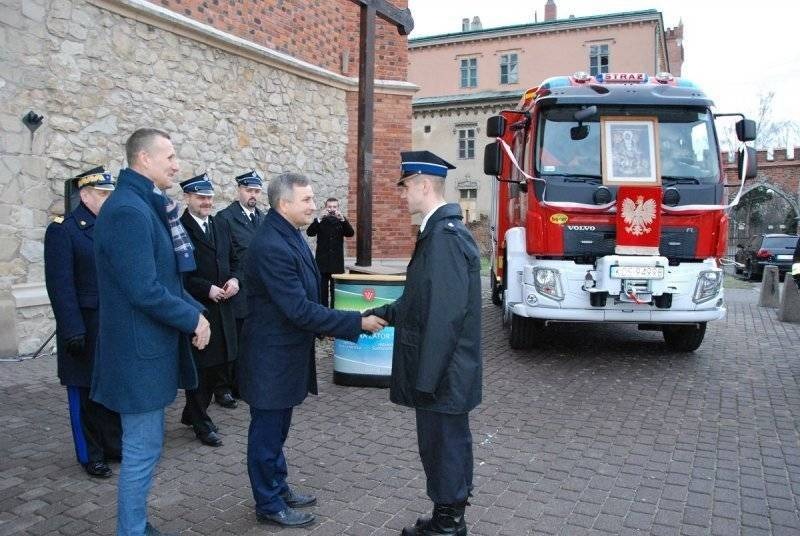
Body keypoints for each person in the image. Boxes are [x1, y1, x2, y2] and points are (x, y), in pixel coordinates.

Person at [237, 172, 387, 528]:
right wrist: (355, 323)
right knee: (267, 433)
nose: (313, 205)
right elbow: (299, 308)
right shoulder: (272, 244)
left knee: (278, 429)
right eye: (306, 199)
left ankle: (278, 486)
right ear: (284, 203)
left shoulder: (288, 234)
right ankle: (269, 503)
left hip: (286, 353)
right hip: (270, 357)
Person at [91, 128, 210, 536]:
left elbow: (164, 280)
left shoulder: (143, 203)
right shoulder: (128, 210)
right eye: (170, 156)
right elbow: (143, 289)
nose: (176, 164)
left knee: (146, 449)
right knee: (142, 451)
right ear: (143, 160)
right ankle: (132, 530)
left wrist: (196, 310)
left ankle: (136, 525)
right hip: (136, 356)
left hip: (147, 351)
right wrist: (192, 319)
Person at [365, 151, 482, 536]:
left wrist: (426, 380)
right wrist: (384, 312)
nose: (403, 196)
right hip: (444, 372)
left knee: (443, 445)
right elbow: (420, 301)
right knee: (443, 443)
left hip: (441, 374)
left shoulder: (443, 239)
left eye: (406, 188)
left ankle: (448, 524)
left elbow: (444, 318)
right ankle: (448, 513)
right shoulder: (439, 233)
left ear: (423, 185)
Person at [44, 166, 122, 479]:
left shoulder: (113, 228)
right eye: (103, 194)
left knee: (110, 390)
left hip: (111, 326)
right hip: (84, 326)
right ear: (85, 194)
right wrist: (72, 328)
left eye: (110, 194)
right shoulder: (64, 230)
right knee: (84, 393)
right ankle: (90, 454)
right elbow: (60, 285)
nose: (108, 200)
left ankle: (114, 445)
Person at [178, 173, 240, 447]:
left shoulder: (220, 225)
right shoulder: (179, 228)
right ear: (188, 198)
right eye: (201, 197)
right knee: (201, 368)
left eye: (209, 198)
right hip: (199, 307)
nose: (206, 202)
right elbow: (180, 275)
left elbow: (235, 259)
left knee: (221, 364)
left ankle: (192, 412)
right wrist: (207, 289)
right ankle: (201, 423)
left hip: (225, 305)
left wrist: (236, 279)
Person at [214, 170, 265, 406]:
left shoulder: (262, 218)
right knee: (231, 340)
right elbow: (223, 257)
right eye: (248, 190)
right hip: (235, 288)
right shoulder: (225, 218)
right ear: (239, 191)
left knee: (251, 340)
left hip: (258, 291)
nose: (252, 195)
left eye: (256, 191)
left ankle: (243, 383)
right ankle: (222, 387)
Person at [306, 197, 355, 307]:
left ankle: (334, 311)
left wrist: (343, 220)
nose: (332, 209)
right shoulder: (320, 220)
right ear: (325, 208)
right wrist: (318, 218)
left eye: (334, 207)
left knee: (335, 292)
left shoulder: (342, 221)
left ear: (338, 208)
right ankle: (322, 311)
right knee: (321, 291)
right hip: (322, 263)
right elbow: (310, 232)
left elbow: (350, 233)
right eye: (329, 207)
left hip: (336, 264)